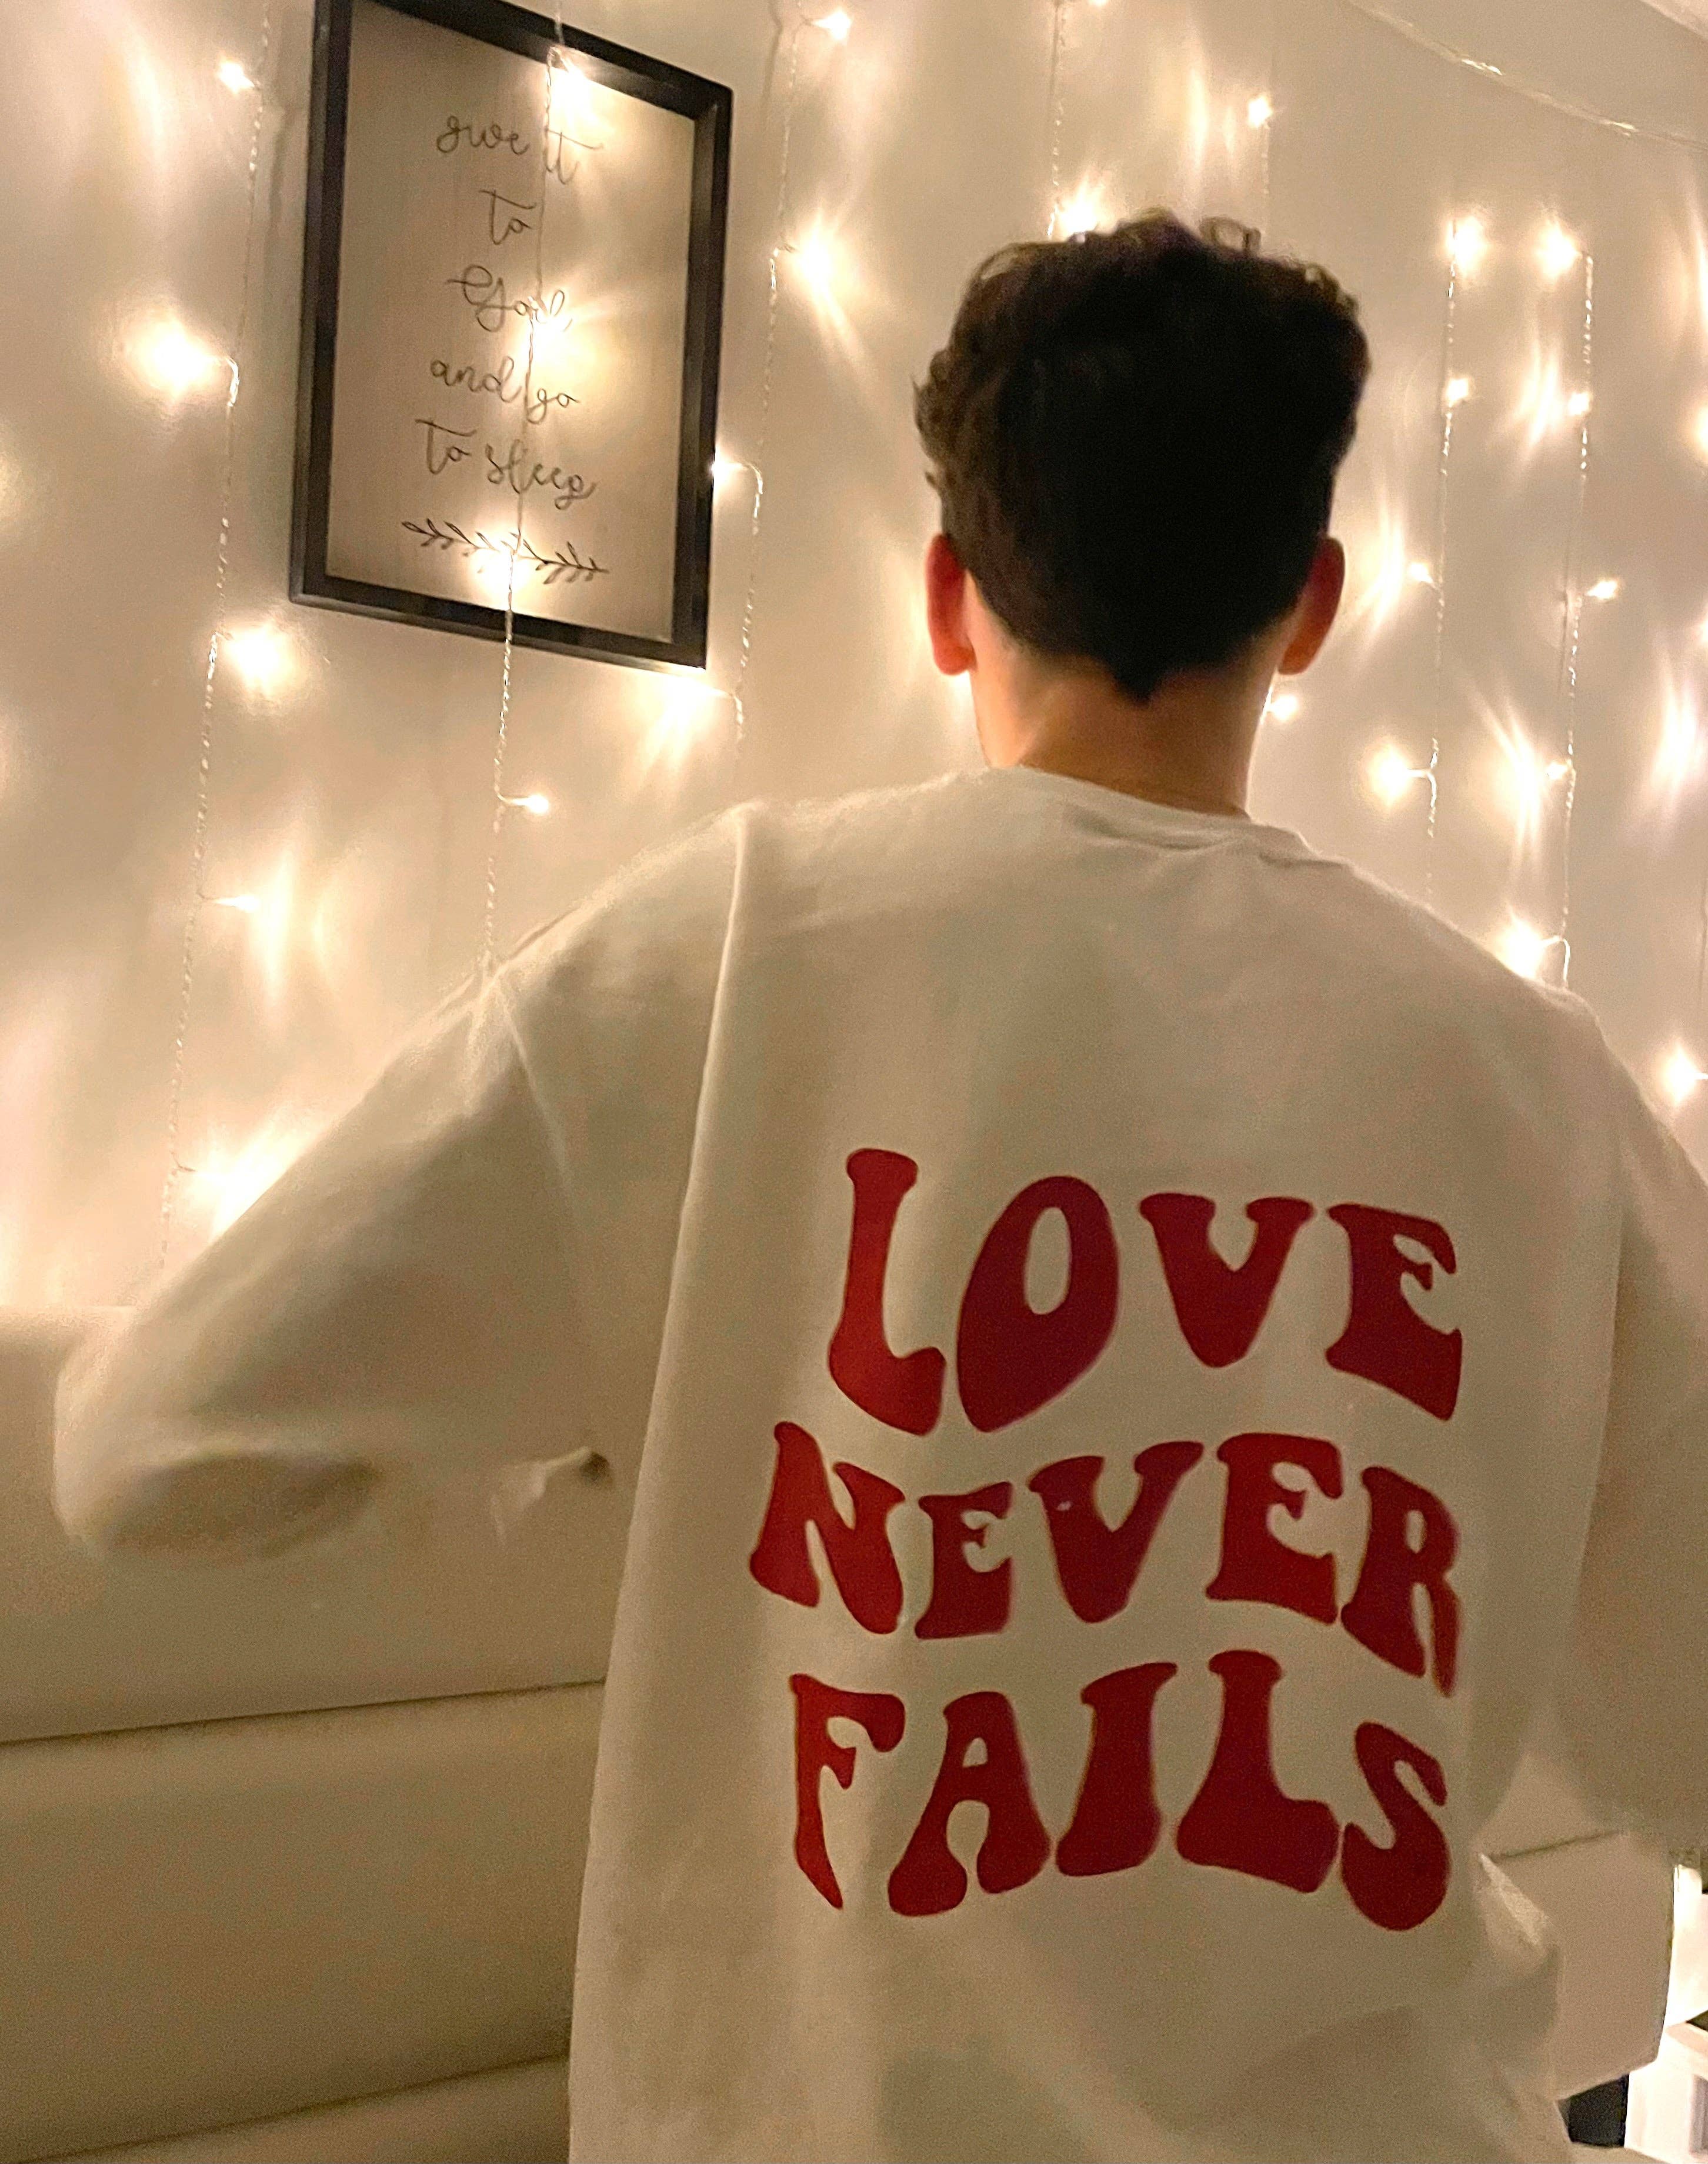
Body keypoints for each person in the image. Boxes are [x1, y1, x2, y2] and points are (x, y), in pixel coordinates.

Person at [51, 211, 1707, 2164]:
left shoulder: (739, 950)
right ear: (1316, 606)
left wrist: (614, 1417)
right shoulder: (1539, 1079)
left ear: (946, 592)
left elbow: (146, 1450)